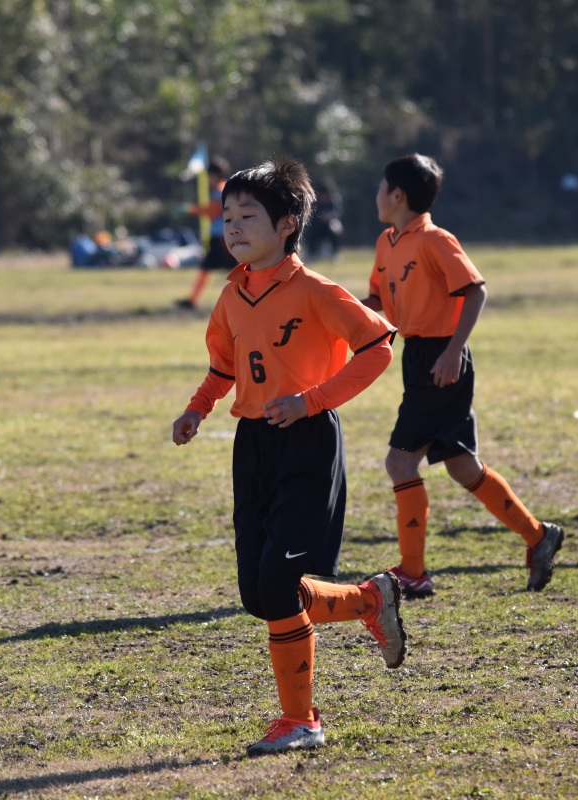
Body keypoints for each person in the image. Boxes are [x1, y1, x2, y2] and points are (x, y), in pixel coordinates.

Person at [172, 156, 406, 756]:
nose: (232, 227)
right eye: (227, 217)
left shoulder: (316, 291)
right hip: (253, 446)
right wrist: (197, 409)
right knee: (259, 595)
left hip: (307, 442)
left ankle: (300, 721)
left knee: (278, 582)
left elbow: (379, 346)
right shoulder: (231, 295)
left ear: (287, 224)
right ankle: (369, 600)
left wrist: (311, 401)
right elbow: (224, 366)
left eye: (247, 216)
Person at [363, 154, 564, 597]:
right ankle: (538, 536)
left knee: (400, 462)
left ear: (397, 195)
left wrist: (453, 351)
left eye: (381, 187)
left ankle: (413, 572)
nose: (376, 194)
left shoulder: (436, 239)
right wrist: (341, 315)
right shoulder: (386, 242)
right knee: (460, 465)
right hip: (417, 356)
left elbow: (475, 292)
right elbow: (377, 301)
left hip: (442, 358)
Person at [176, 158, 238, 309]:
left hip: (222, 237)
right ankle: (192, 300)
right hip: (219, 236)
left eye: (209, 176)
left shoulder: (220, 191)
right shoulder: (226, 189)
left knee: (236, 270)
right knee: (206, 267)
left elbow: (213, 212)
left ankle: (247, 297)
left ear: (216, 175)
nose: (208, 179)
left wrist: (191, 209)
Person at [306, 180, 343, 261]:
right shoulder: (315, 201)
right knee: (311, 231)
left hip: (330, 224)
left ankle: (335, 253)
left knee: (335, 229)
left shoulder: (334, 199)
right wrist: (319, 217)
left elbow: (337, 211)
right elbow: (311, 213)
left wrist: (329, 216)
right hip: (317, 225)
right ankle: (312, 253)